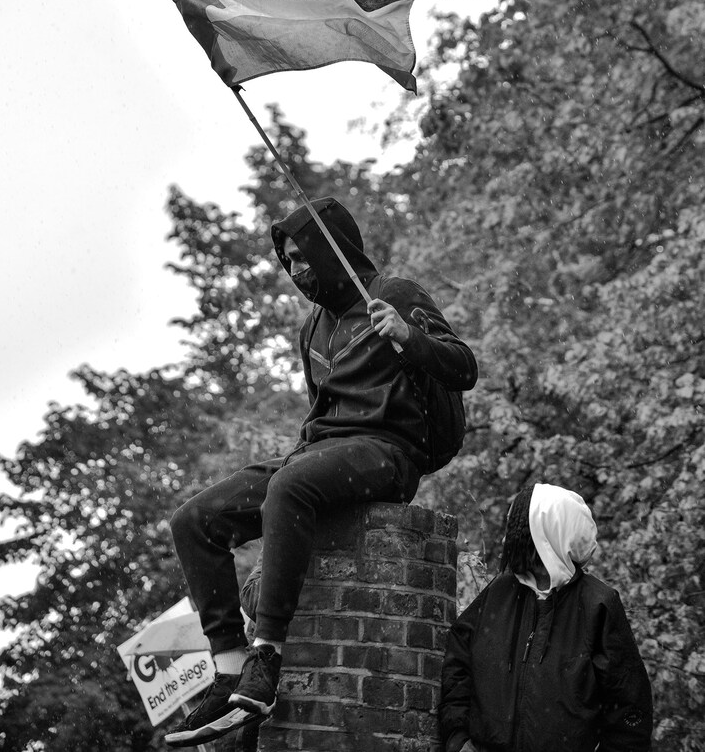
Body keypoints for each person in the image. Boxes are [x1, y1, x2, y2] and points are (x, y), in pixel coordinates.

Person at [164, 196, 478, 747]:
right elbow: (321, 414)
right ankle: (232, 665)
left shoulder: (393, 294)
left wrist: (409, 337)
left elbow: (463, 367)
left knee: (291, 485)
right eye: (287, 263)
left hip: (388, 452)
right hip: (320, 454)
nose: (297, 271)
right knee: (194, 519)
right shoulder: (313, 329)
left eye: (303, 257)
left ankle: (267, 656)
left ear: (332, 249)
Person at [439, 483, 653, 752]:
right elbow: (457, 664)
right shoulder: (499, 593)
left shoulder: (598, 605)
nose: (508, 539)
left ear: (547, 535)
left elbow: (630, 711)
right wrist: (458, 738)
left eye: (518, 528)